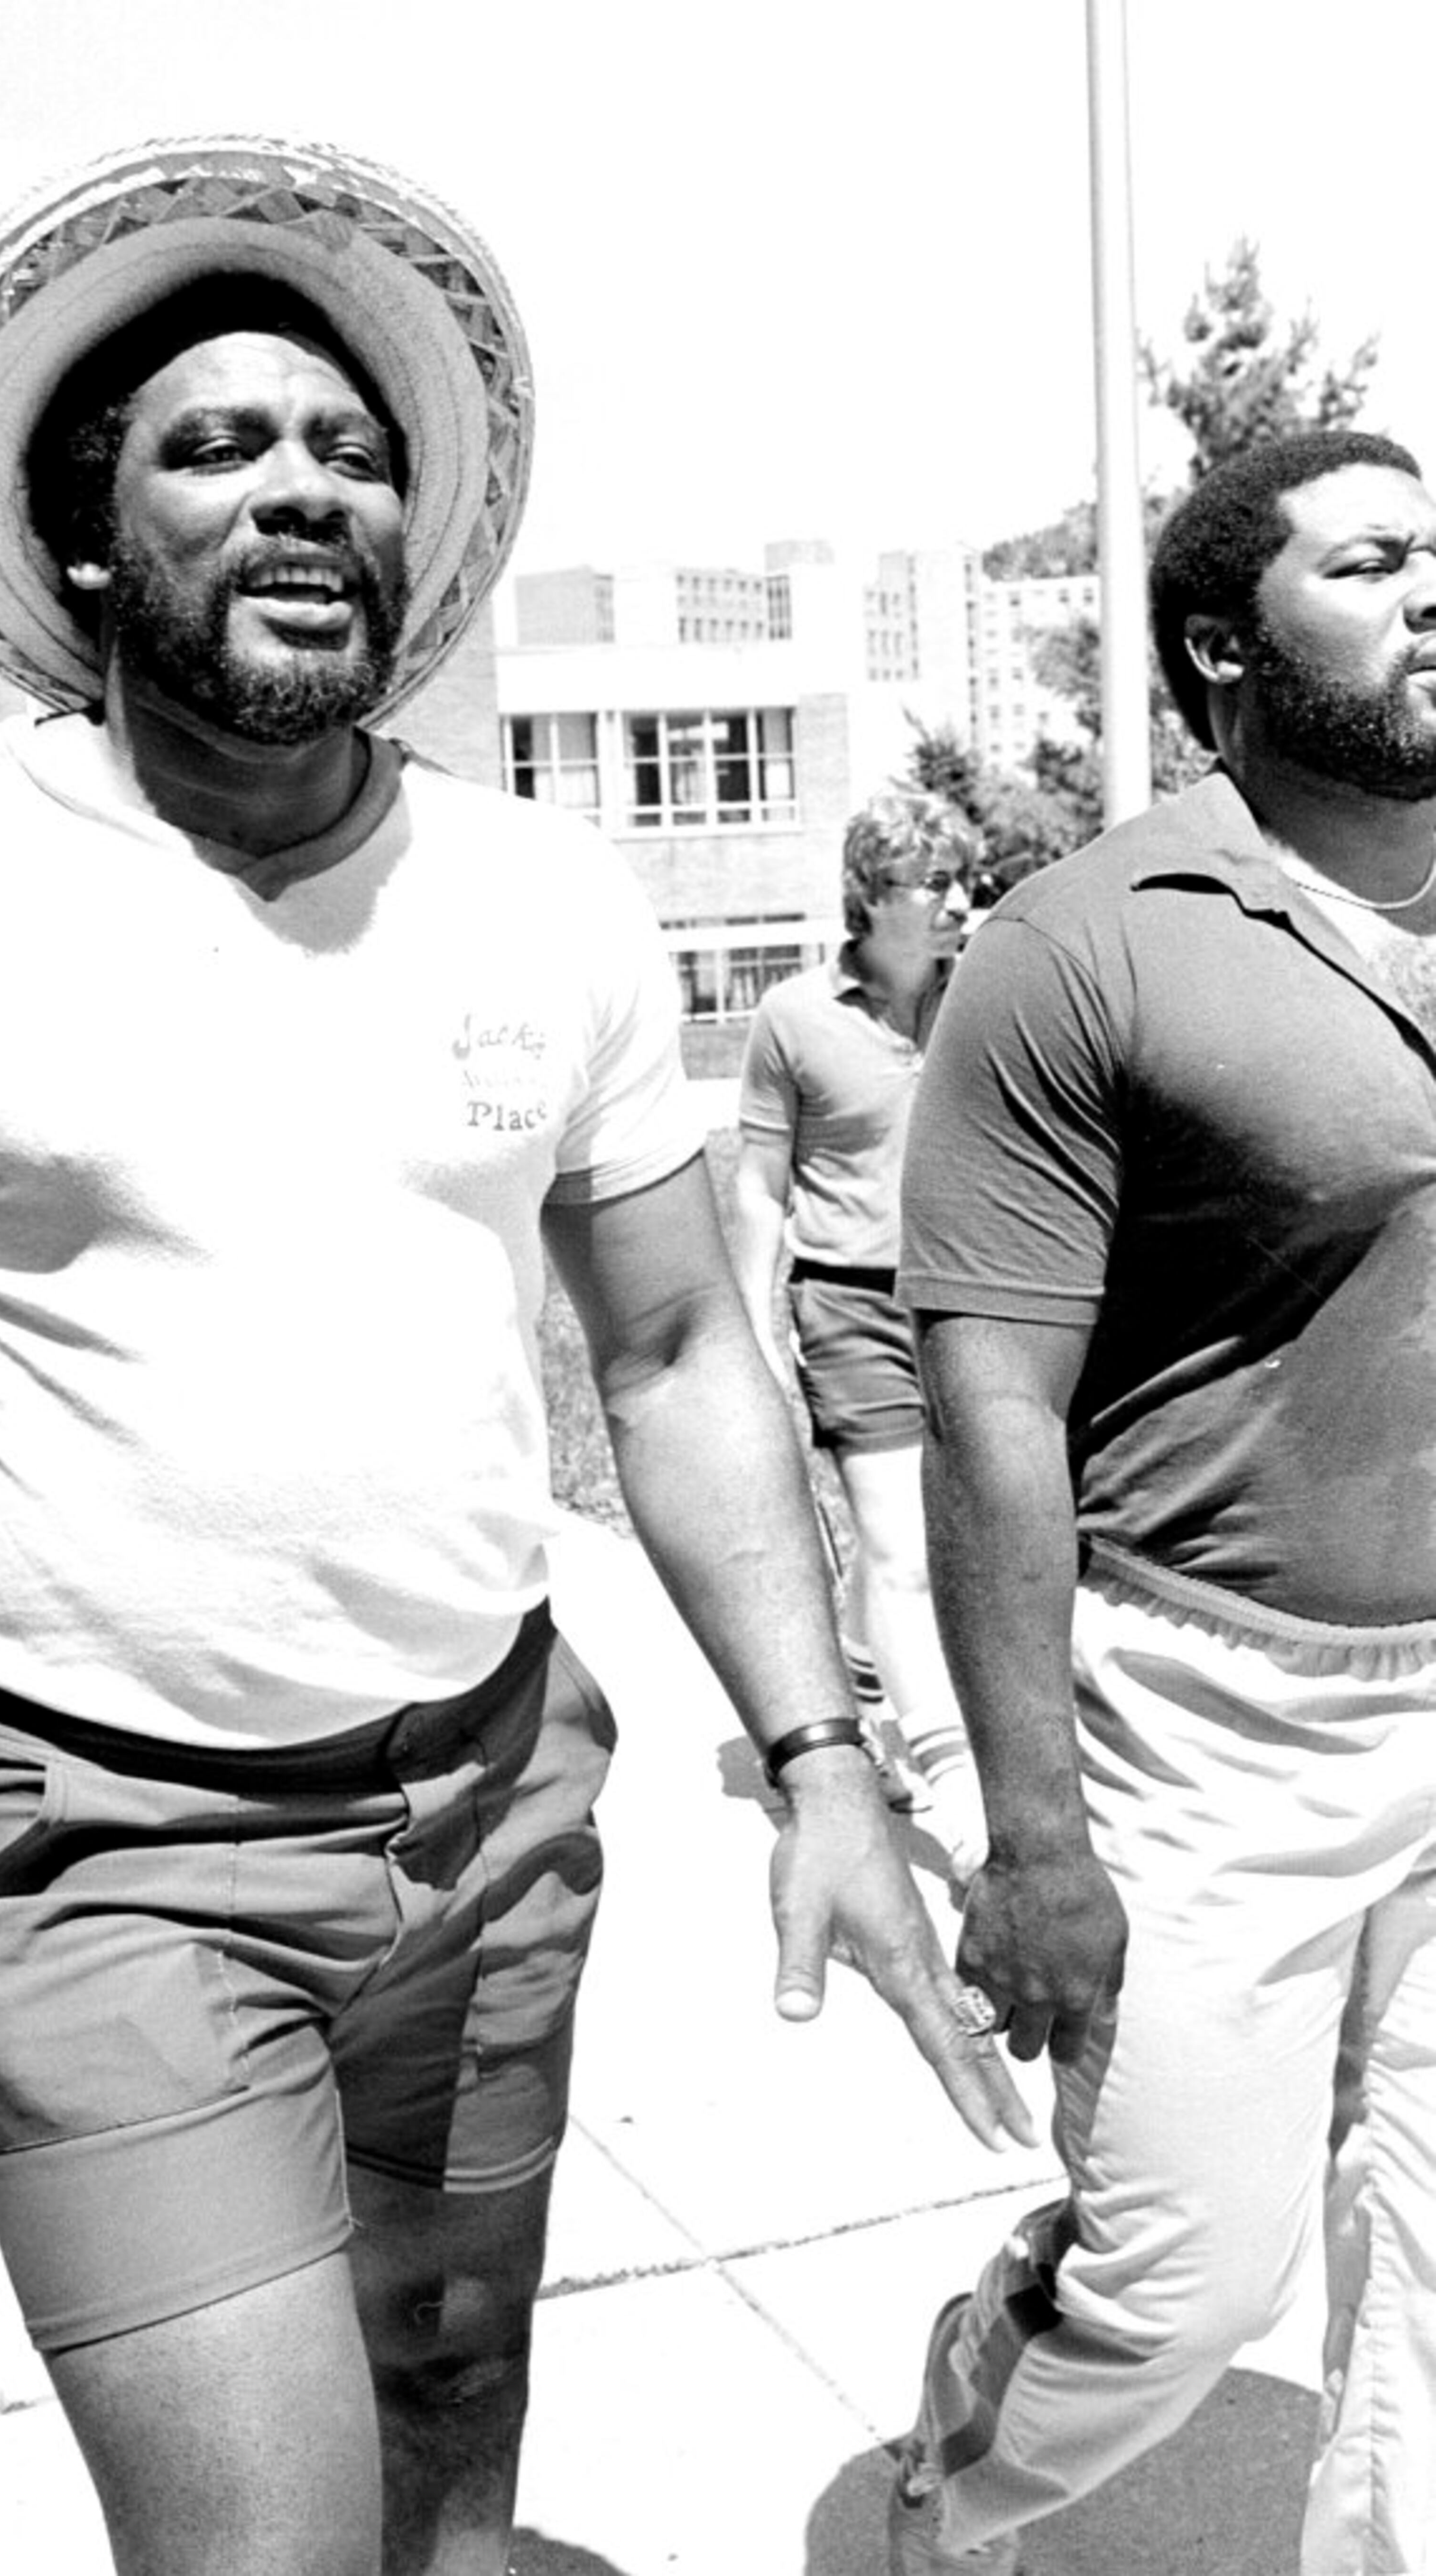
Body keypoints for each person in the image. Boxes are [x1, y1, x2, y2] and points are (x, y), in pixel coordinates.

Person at [0, 138, 1028, 2576]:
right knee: (270, 2555)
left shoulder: (542, 897)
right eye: (218, 445)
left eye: (352, 452)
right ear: (88, 539)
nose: (304, 487)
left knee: (452, 2462)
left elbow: (683, 1350)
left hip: (492, 1819)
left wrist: (824, 1760)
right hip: (110, 1858)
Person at [886, 426, 1436, 2574]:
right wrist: (1034, 1841)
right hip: (1216, 1715)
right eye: (1377, 560)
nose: (1434, 589)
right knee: (1188, 2289)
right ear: (1221, 640)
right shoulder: (1081, 943)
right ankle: (979, 2448)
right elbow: (990, 1413)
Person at [732, 791, 986, 1885]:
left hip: (975, 1302)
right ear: (874, 896)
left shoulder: (986, 993)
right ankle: (960, 1790)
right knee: (898, 1545)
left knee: (971, 1538)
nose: (959, 902)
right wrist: (742, 1338)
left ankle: (861, 1670)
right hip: (850, 1306)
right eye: (937, 884)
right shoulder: (793, 1017)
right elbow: (758, 1189)